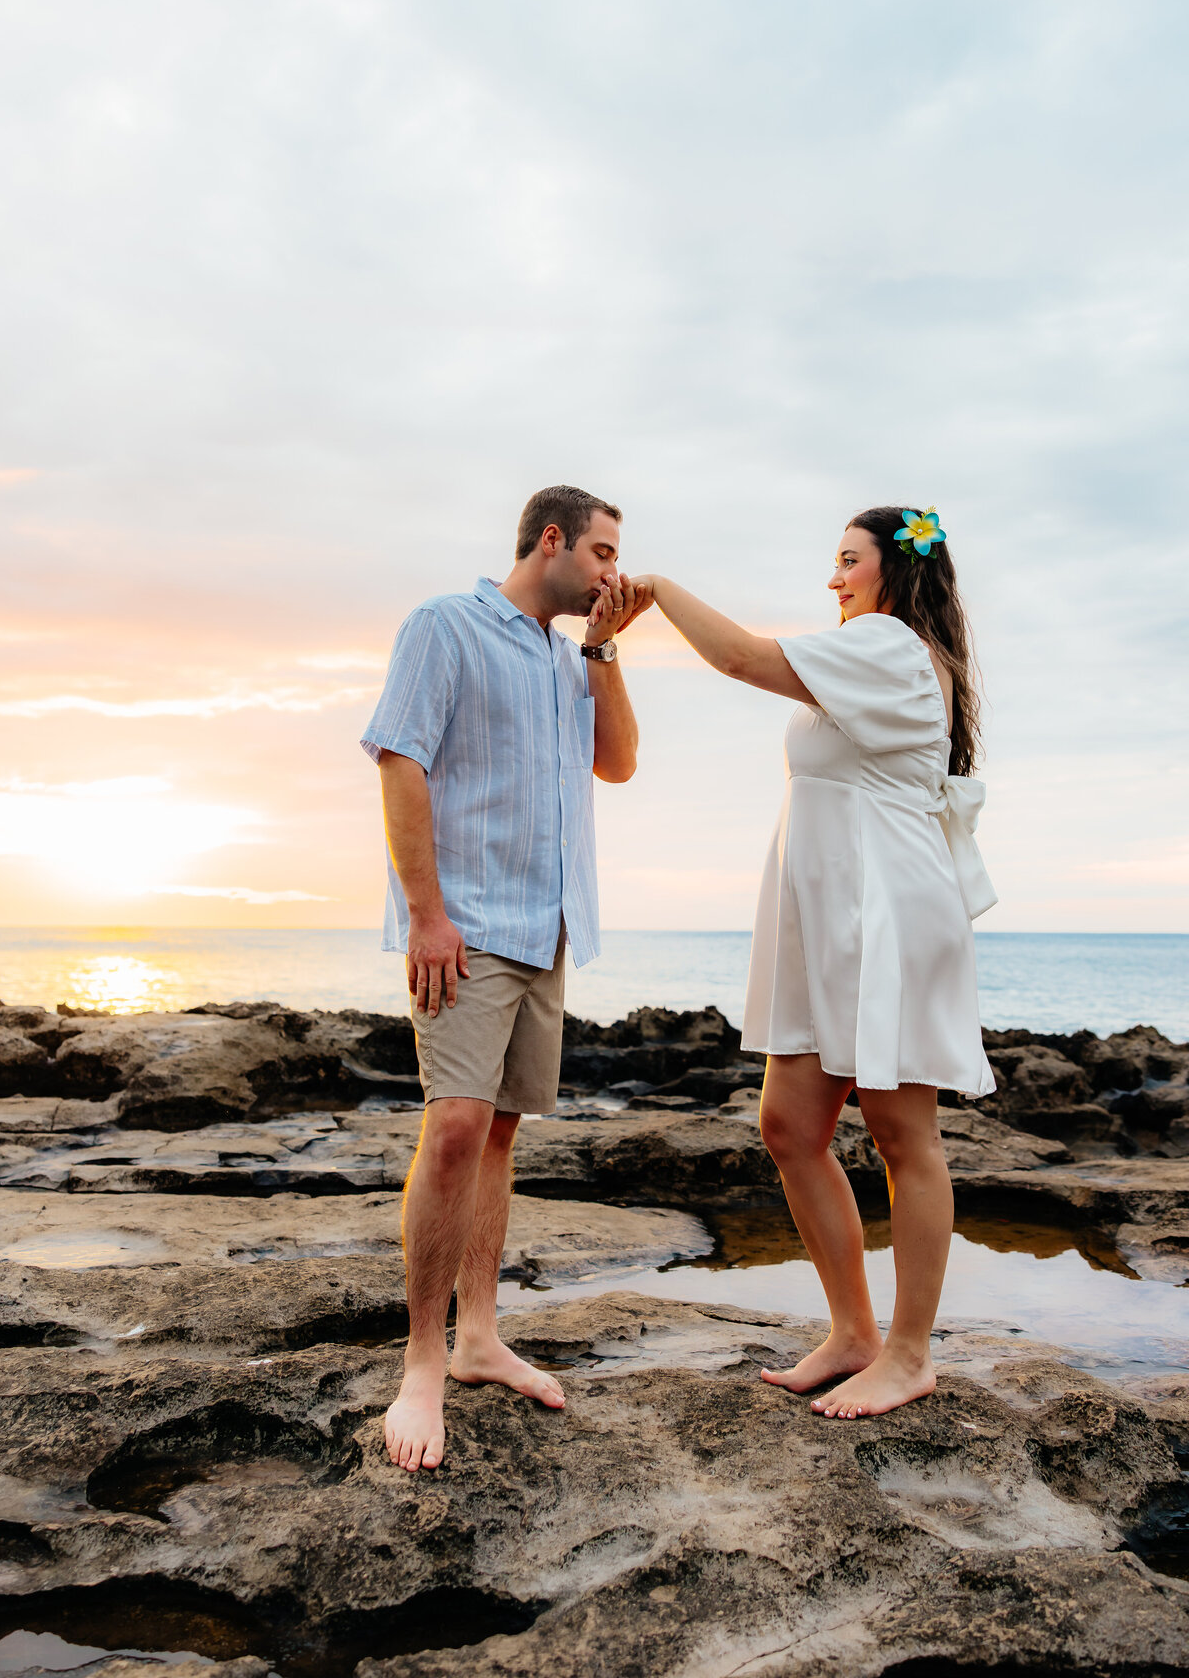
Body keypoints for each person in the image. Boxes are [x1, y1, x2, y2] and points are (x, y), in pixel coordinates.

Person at [631, 507, 996, 1419]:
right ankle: (853, 1333)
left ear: (891, 575)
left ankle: (909, 1354)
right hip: (828, 918)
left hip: (886, 916)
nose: (833, 580)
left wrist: (660, 589)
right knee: (792, 1127)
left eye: (847, 561)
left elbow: (741, 659)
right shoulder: (872, 652)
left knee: (903, 1135)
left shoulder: (886, 645)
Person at [360, 486, 644, 1472]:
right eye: (603, 552)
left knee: (499, 1133)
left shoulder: (572, 660)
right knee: (452, 1128)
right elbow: (400, 762)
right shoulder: (447, 626)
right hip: (468, 924)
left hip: (549, 927)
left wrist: (606, 647)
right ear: (551, 540)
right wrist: (428, 916)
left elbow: (618, 762)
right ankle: (423, 1363)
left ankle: (480, 1335)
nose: (613, 572)